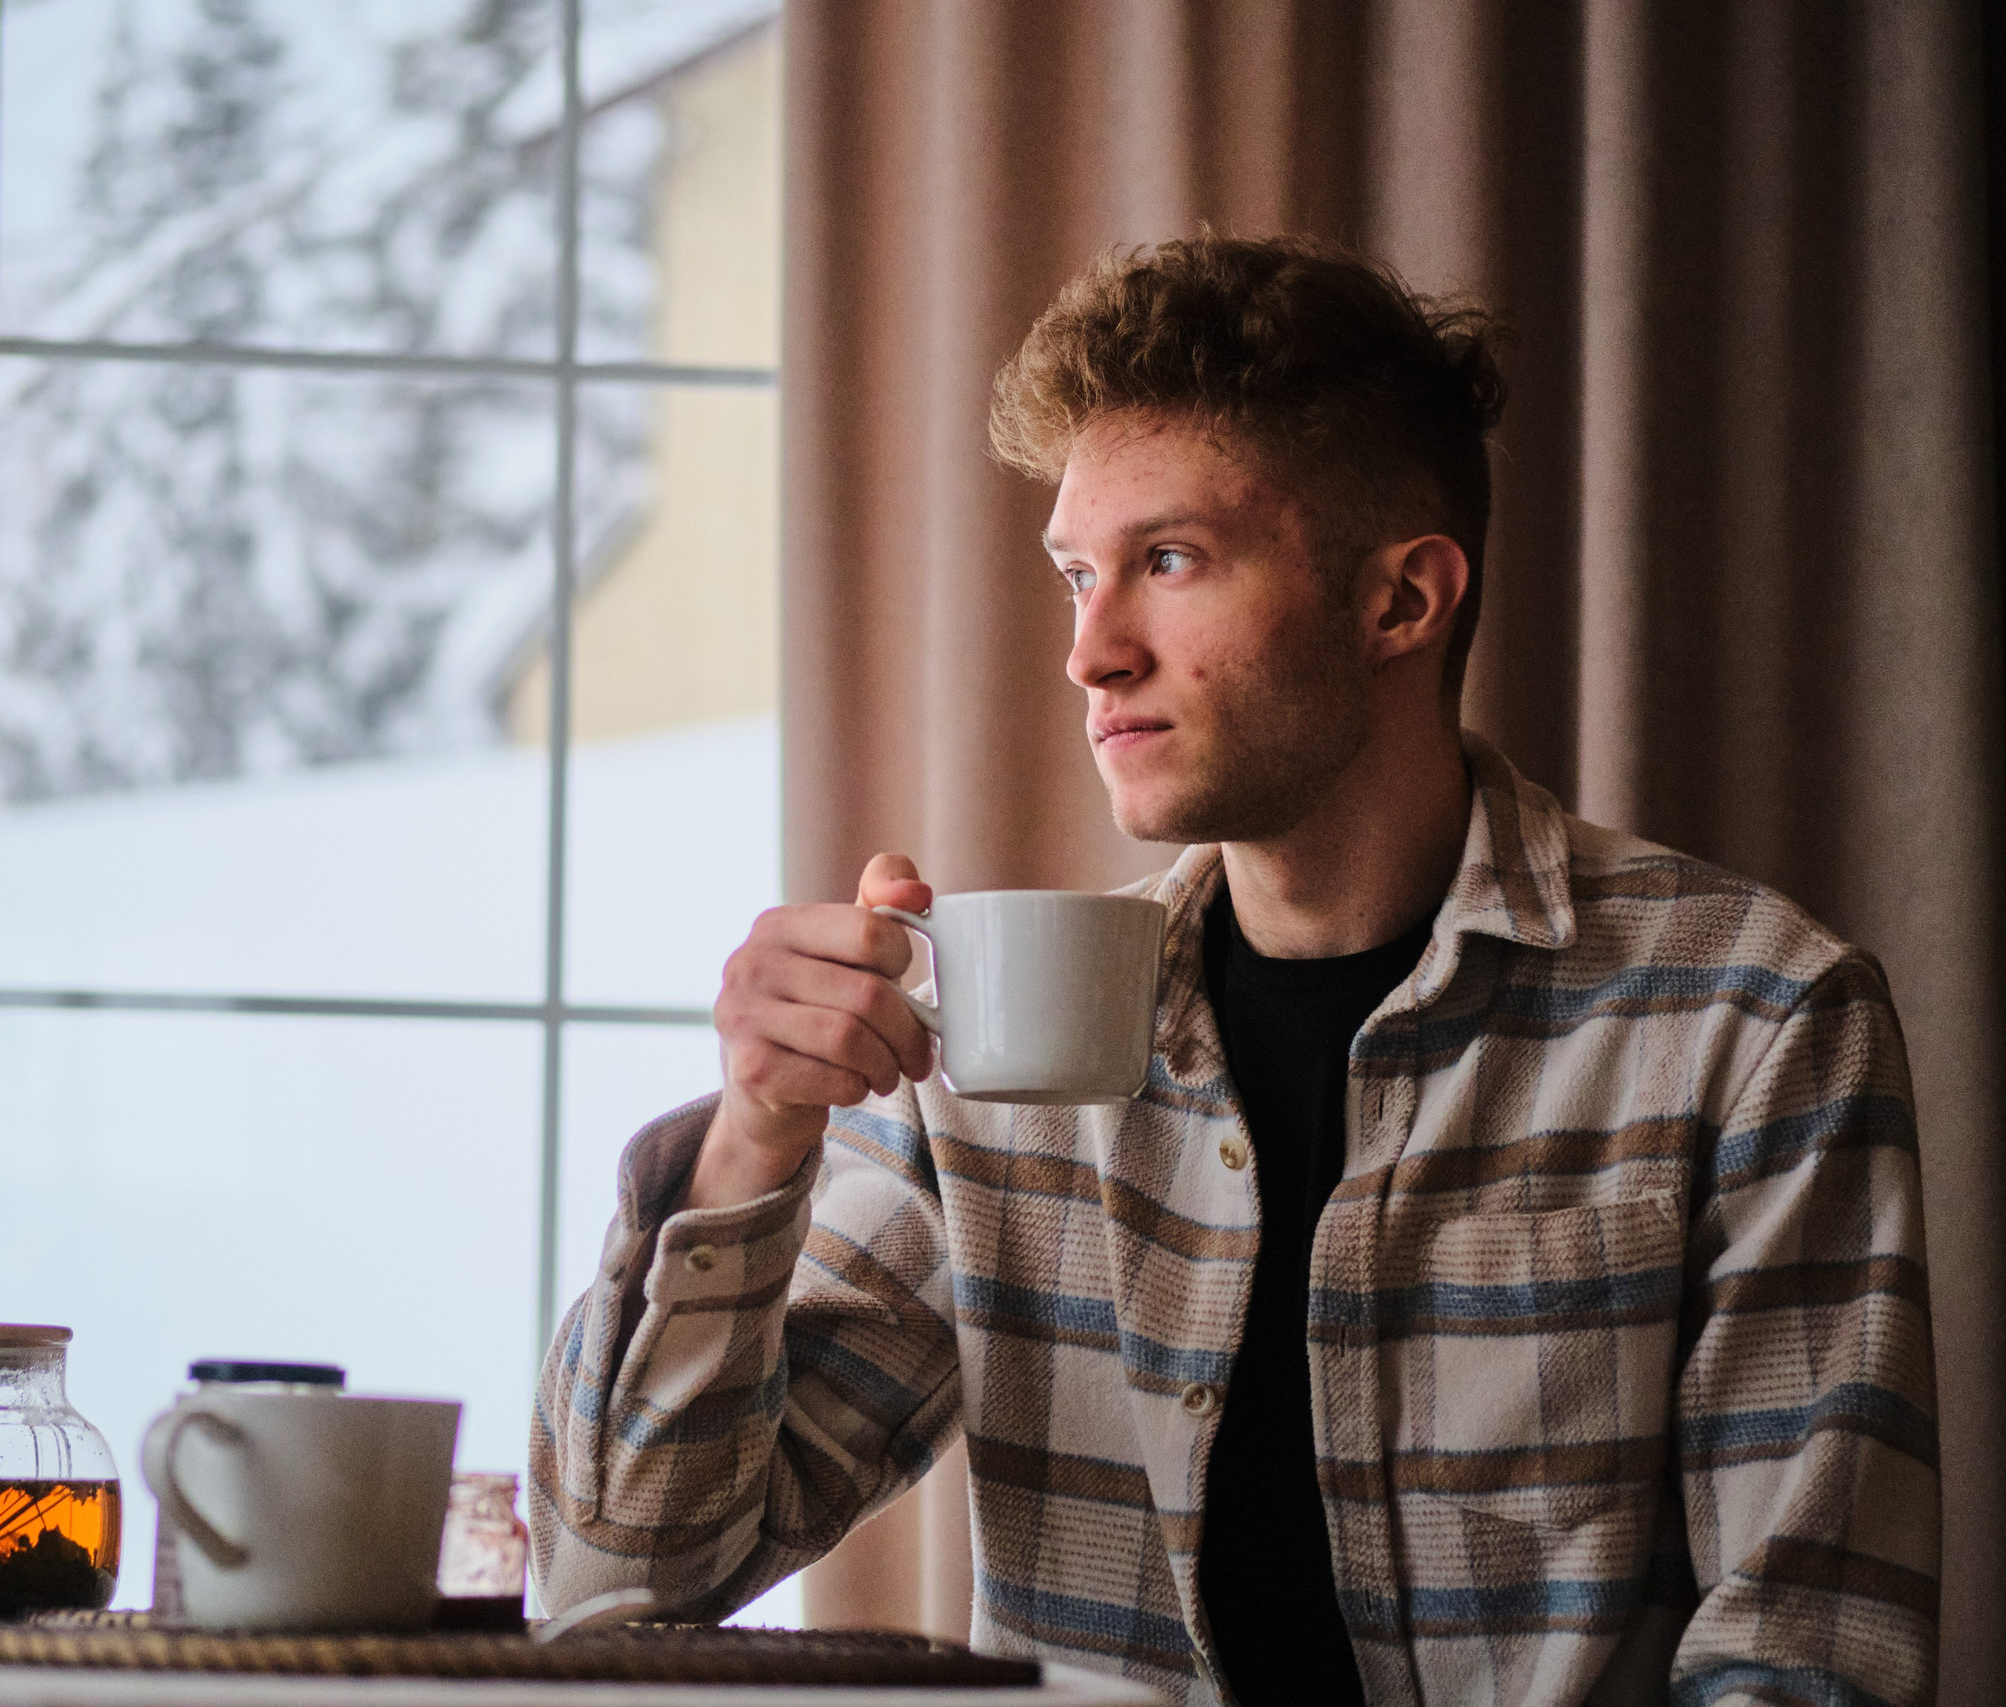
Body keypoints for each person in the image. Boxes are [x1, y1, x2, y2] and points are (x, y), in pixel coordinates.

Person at [528, 234, 1937, 1706]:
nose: (1091, 653)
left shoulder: (1755, 1018)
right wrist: (757, 1136)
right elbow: (624, 1585)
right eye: (1079, 573)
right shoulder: (1007, 1054)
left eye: (1170, 561)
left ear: (1402, 601)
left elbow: (1810, 1656)